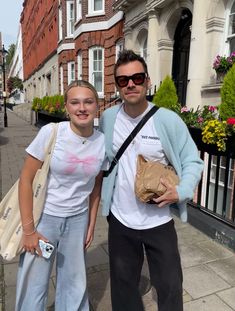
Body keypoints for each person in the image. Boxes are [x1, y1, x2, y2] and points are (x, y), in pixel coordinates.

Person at [100, 50, 204, 311]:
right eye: (123, 80)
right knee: (123, 288)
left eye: (136, 77)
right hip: (120, 219)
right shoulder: (108, 119)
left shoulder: (168, 120)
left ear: (147, 80)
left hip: (158, 220)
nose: (131, 84)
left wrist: (181, 190)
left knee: (169, 286)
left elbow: (192, 160)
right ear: (117, 86)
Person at [15, 80, 105, 311]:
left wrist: (91, 223)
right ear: (66, 106)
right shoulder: (51, 133)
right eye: (75, 102)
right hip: (45, 219)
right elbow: (25, 180)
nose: (81, 108)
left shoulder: (102, 142)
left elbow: (96, 186)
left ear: (97, 106)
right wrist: (29, 230)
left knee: (74, 284)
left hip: (78, 220)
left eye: (88, 102)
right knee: (33, 285)